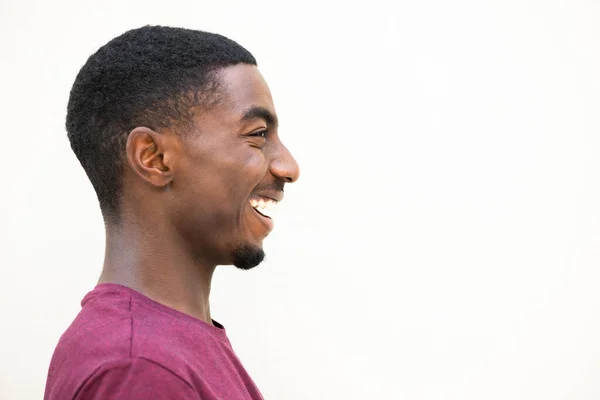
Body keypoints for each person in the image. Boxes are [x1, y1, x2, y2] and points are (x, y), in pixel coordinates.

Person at [44, 25, 300, 400]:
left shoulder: (158, 348)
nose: (289, 167)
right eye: (258, 134)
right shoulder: (140, 368)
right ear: (154, 157)